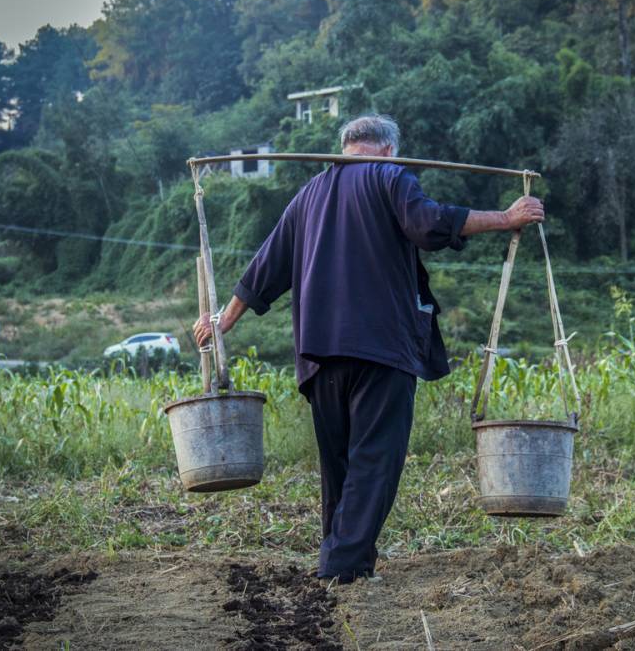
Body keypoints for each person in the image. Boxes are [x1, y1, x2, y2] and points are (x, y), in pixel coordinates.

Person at [194, 114, 544, 583]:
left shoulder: (308, 195)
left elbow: (267, 266)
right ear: (388, 150)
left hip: (318, 355)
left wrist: (222, 322)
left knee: (339, 467)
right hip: (381, 348)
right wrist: (506, 218)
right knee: (374, 463)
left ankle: (334, 562)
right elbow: (429, 223)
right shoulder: (390, 176)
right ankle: (345, 569)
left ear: (348, 147)